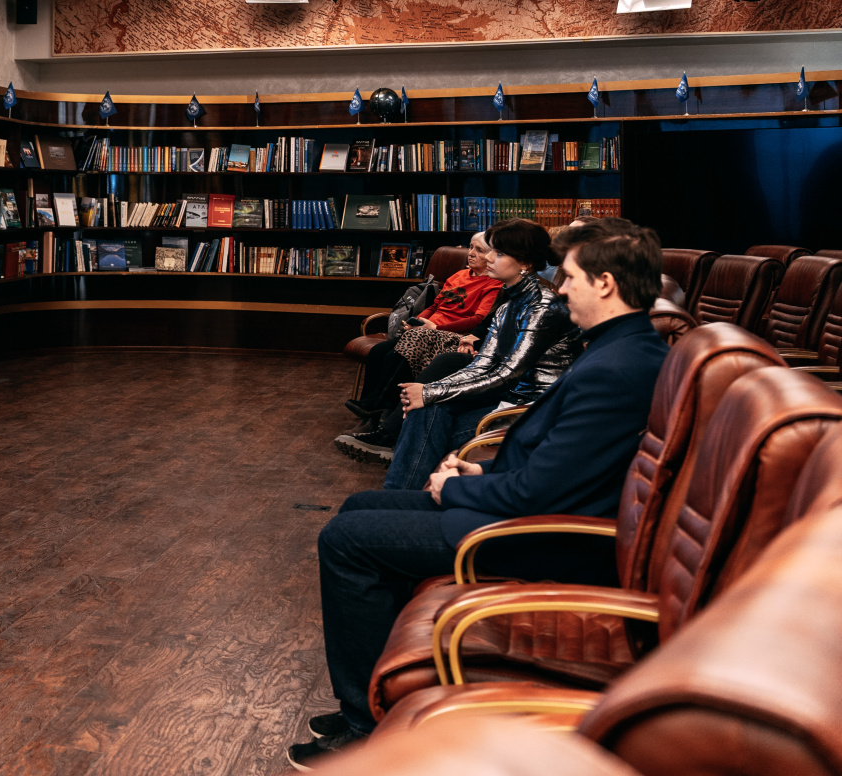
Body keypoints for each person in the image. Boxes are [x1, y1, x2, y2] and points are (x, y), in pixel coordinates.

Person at [287, 219, 669, 769]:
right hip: (529, 512)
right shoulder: (619, 349)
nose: (561, 290)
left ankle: (364, 726)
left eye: (570, 278)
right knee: (358, 506)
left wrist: (459, 487)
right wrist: (474, 474)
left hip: (539, 537)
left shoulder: (616, 367)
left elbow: (540, 492)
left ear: (605, 283)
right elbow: (557, 469)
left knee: (346, 539)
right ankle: (375, 699)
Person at [376, 219, 580, 487]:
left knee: (427, 414)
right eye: (491, 250)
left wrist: (429, 392)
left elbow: (507, 374)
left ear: (526, 263)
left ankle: (400, 496)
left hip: (533, 407)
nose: (490, 258)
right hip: (506, 398)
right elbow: (482, 364)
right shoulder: (508, 304)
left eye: (500, 253)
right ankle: (402, 497)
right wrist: (428, 391)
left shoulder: (542, 306)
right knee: (425, 410)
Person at [336, 232, 499, 460]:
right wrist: (418, 320)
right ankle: (371, 410)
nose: (470, 253)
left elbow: (478, 320)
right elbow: (436, 305)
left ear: (493, 255)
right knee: (379, 351)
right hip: (426, 329)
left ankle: (378, 406)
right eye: (470, 247)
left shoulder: (493, 284)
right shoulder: (458, 275)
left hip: (448, 334)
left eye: (478, 250)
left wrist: (435, 327)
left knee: (399, 353)